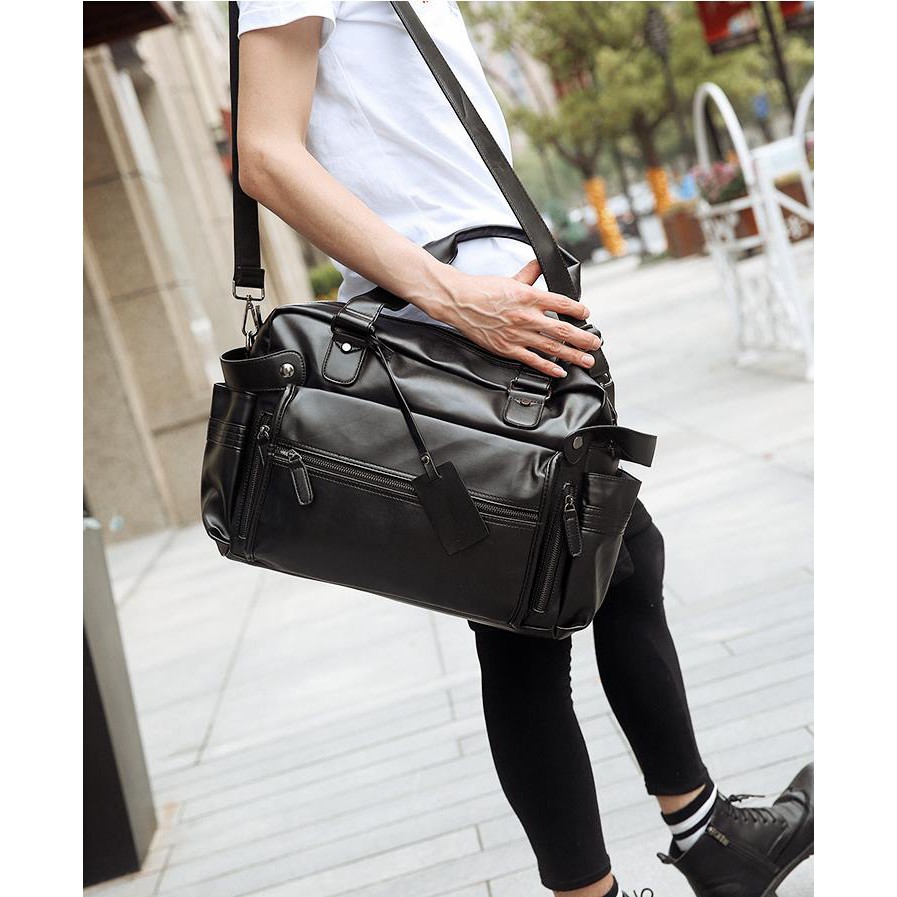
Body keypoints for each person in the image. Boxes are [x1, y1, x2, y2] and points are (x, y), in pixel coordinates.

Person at [234, 3, 814, 896]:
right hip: (459, 321)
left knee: (597, 573)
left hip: (488, 307)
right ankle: (702, 846)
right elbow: (266, 153)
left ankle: (706, 841)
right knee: (537, 608)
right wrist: (451, 295)